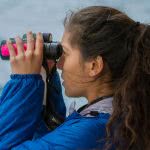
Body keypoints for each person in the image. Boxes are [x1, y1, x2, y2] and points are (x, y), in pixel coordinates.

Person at [0, 5, 150, 150]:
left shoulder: (91, 131)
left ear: (94, 65)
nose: (59, 65)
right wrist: (43, 85)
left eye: (65, 53)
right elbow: (52, 139)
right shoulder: (125, 116)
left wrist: (24, 83)